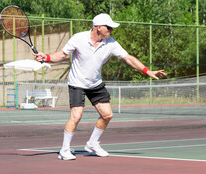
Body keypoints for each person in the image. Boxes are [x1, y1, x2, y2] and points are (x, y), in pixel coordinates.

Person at [33, 13, 167, 161]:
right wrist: (47, 57)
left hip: (95, 84)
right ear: (98, 27)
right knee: (76, 116)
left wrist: (147, 71)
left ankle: (92, 144)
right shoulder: (79, 38)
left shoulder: (111, 43)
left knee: (107, 115)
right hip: (77, 83)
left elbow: (128, 58)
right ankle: (64, 150)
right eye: (108, 28)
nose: (111, 30)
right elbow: (62, 55)